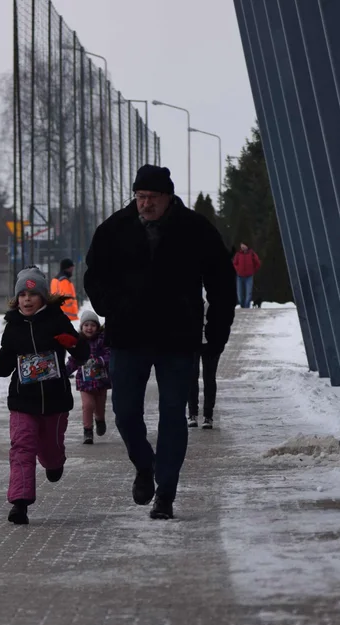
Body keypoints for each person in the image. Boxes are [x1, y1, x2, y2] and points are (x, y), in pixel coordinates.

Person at [84, 165, 236, 520]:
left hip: (177, 338)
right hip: (127, 336)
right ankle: (144, 465)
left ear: (168, 197)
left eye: (152, 197)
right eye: (139, 197)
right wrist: (109, 307)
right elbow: (94, 274)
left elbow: (222, 285)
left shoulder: (195, 230)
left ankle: (165, 493)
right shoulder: (114, 229)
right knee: (124, 413)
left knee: (173, 414)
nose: (145, 204)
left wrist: (215, 336)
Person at [0, 266, 89, 524]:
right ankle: (20, 503)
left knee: (50, 449)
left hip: (55, 400)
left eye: (32, 294)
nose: (26, 300)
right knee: (22, 447)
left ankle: (54, 462)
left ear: (43, 296)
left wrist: (73, 344)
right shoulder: (13, 327)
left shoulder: (56, 319)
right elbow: (7, 365)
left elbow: (81, 353)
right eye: (22, 295)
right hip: (23, 400)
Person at [66, 309, 112, 445]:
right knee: (87, 405)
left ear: (97, 327)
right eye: (86, 325)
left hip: (101, 381)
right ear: (81, 327)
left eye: (92, 325)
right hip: (84, 383)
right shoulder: (79, 342)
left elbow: (109, 355)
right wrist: (65, 371)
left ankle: (100, 419)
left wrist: (100, 361)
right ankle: (87, 430)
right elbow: (74, 360)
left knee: (99, 407)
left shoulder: (102, 341)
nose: (89, 328)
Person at [233, 242, 262, 309]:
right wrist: (237, 269)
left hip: (249, 277)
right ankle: (242, 306)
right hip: (239, 276)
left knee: (248, 293)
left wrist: (253, 271)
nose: (242, 246)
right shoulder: (238, 254)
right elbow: (234, 263)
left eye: (244, 245)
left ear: (247, 246)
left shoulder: (252, 254)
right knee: (239, 294)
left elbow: (257, 263)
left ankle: (246, 308)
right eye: (241, 245)